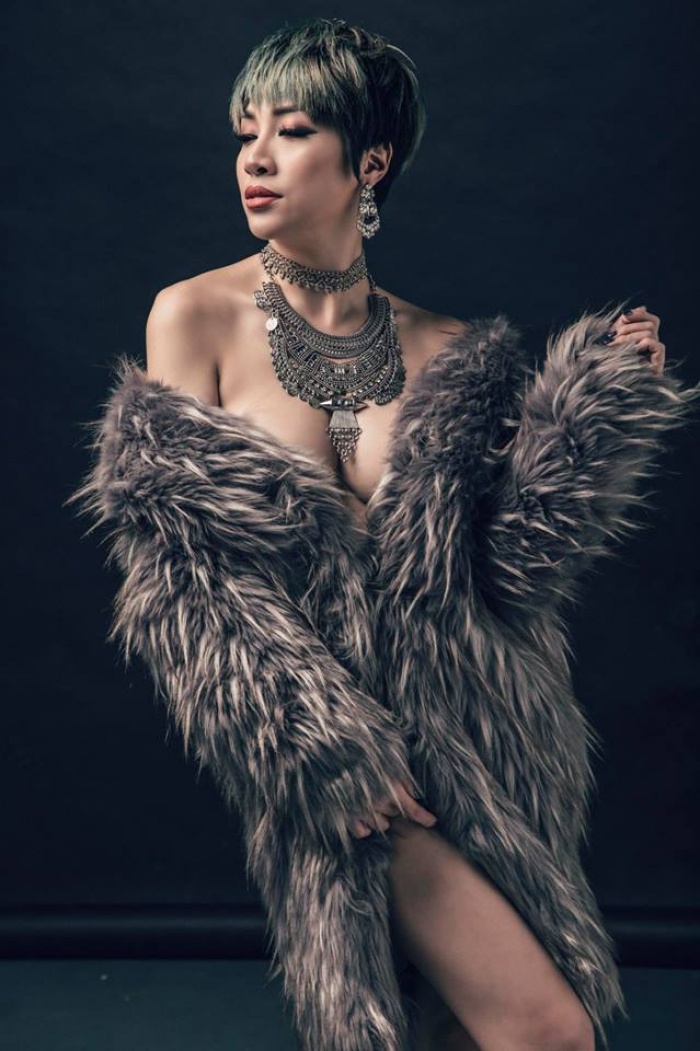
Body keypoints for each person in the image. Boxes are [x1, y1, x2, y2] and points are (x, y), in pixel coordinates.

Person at [69, 17, 694, 1051]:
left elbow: (510, 567)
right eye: (246, 132)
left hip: (487, 740)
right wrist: (319, 745)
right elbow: (185, 577)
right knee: (546, 1031)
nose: (256, 158)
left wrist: (594, 409)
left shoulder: (452, 349)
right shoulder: (193, 318)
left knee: (455, 1034)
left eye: (293, 130)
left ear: (369, 162)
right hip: (351, 754)